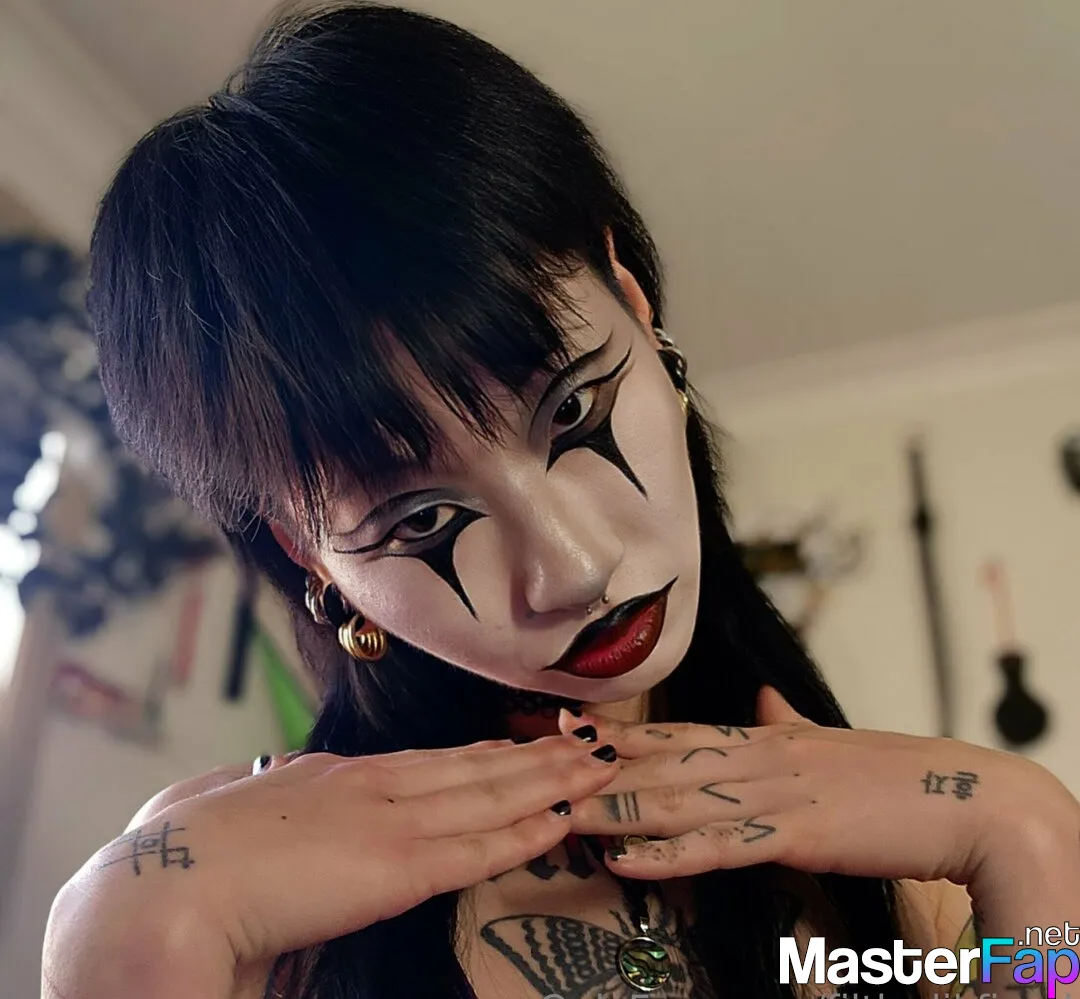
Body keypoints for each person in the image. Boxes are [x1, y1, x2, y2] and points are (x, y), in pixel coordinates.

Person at [43, 4, 1080, 999]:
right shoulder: (236, 929)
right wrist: (117, 947)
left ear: (632, 301)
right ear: (311, 557)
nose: (573, 568)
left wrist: (1028, 836)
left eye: (576, 410)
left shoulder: (911, 877)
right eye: (422, 520)